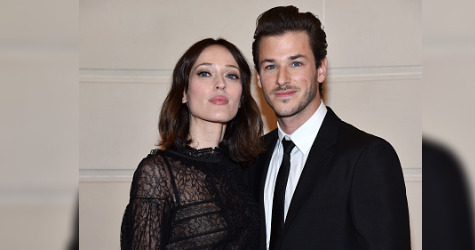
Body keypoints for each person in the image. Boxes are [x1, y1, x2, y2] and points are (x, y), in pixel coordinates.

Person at [245, 5, 411, 249]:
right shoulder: (251, 158)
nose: (282, 79)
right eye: (270, 66)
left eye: (296, 64)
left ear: (321, 69)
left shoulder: (367, 157)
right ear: (258, 77)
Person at [120, 38, 263, 249]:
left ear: (241, 98)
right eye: (205, 73)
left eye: (231, 75)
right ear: (184, 93)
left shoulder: (250, 170)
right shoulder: (158, 173)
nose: (220, 83)